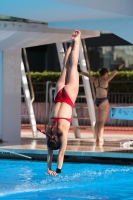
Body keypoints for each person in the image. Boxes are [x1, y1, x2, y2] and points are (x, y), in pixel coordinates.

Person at [45, 30, 81, 176]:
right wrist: (48, 168)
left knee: (73, 66)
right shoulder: (49, 131)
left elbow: (60, 154)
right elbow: (49, 154)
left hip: (68, 97)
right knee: (66, 67)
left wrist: (57, 171)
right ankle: (70, 45)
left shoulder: (62, 132)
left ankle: (76, 41)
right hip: (59, 95)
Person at [79, 64, 124, 144]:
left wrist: (80, 71)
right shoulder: (105, 80)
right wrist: (118, 68)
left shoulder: (95, 80)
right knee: (101, 122)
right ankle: (100, 138)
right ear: (106, 73)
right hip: (104, 101)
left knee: (97, 121)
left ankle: (96, 137)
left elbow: (88, 75)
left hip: (96, 102)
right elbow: (113, 74)